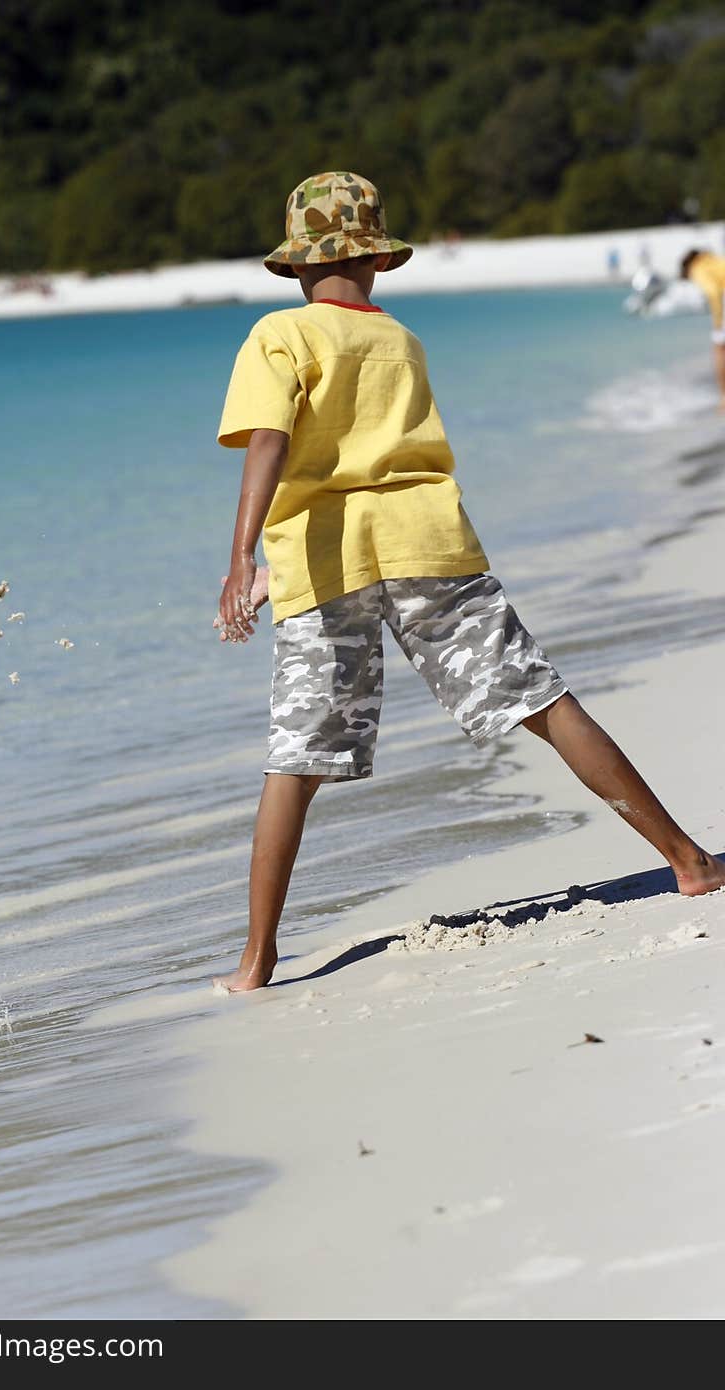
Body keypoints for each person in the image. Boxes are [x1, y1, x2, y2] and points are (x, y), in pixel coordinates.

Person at [213, 172, 725, 993]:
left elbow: (274, 446)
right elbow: (372, 456)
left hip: (326, 561)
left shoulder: (279, 336)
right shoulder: (401, 343)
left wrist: (243, 557)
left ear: (300, 265)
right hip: (430, 545)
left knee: (296, 760)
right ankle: (688, 860)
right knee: (544, 704)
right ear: (376, 260)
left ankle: (257, 957)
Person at [680, 249, 725, 409]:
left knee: (719, 349)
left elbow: (713, 292)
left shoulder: (698, 269)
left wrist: (718, 322)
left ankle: (723, 398)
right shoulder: (713, 260)